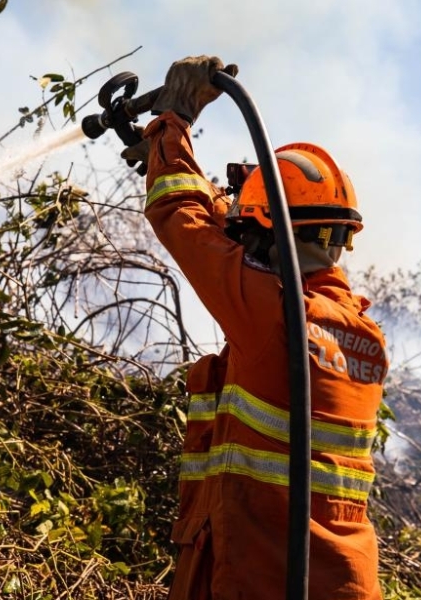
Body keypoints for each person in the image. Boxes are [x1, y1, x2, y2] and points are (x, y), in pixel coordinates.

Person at [132, 56, 389, 599]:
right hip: (338, 581)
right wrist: (166, 155)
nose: (239, 241)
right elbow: (228, 232)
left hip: (260, 577)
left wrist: (174, 120)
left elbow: (181, 217)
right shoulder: (363, 336)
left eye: (247, 231)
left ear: (270, 236)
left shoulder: (273, 315)